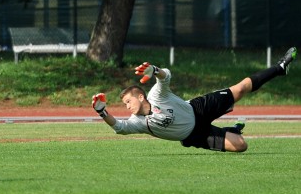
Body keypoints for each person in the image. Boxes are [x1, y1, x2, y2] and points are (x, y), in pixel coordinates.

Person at [92, 47, 297, 152]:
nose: (127, 106)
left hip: (199, 109)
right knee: (241, 146)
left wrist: (155, 70)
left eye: (128, 101)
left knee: (241, 88)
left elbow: (166, 76)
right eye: (125, 104)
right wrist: (102, 111)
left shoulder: (156, 95)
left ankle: (279, 68)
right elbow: (118, 126)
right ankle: (232, 130)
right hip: (195, 136)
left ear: (140, 95)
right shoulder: (139, 123)